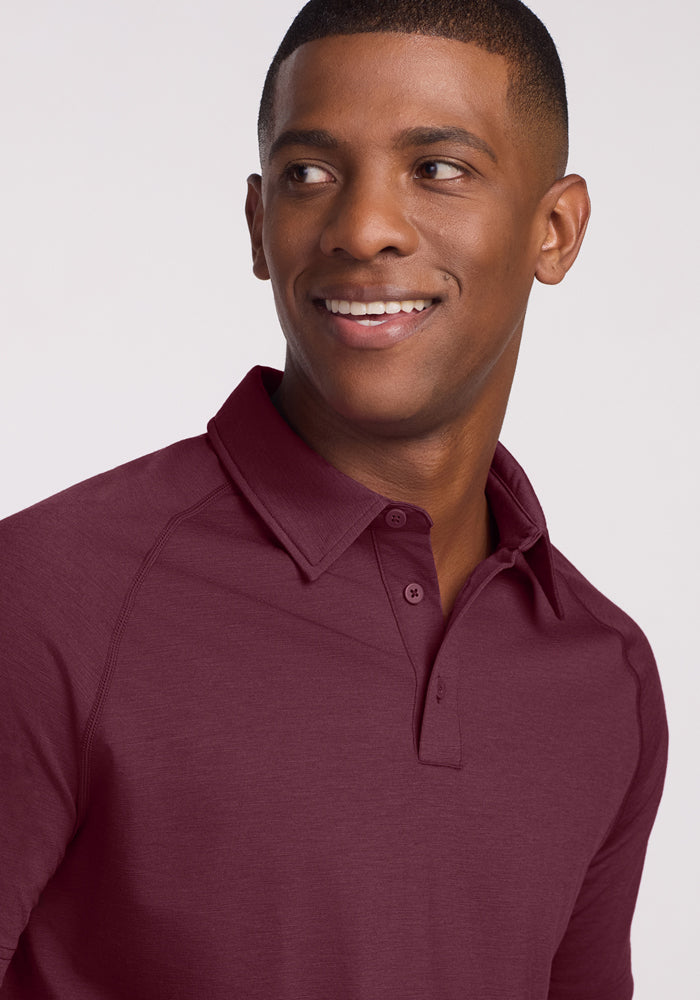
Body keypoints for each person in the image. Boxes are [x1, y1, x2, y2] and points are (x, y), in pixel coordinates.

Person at [0, 0, 667, 997]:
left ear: (555, 228)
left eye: (437, 169)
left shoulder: (601, 674)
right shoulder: (48, 596)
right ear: (260, 225)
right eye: (310, 174)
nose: (362, 228)